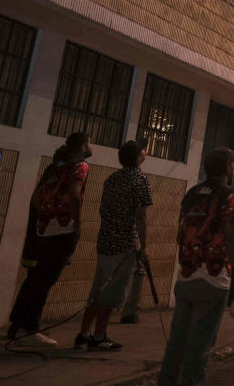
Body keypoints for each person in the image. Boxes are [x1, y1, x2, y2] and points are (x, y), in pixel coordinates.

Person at [158, 147, 234, 386]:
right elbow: (231, 237)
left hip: (187, 275)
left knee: (177, 344)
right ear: (227, 168)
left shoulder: (192, 194)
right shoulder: (231, 196)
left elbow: (181, 233)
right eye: (232, 163)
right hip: (214, 276)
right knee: (199, 348)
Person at [8, 132, 91, 346]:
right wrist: (75, 221)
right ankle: (30, 328)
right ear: (82, 147)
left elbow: (36, 199)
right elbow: (74, 193)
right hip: (63, 231)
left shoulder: (53, 167)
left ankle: (17, 324)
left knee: (35, 277)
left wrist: (47, 215)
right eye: (89, 143)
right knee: (45, 280)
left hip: (43, 229)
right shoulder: (79, 167)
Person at [76, 140, 152, 351]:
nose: (145, 152)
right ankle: (98, 336)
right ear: (138, 158)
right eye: (143, 150)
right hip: (124, 243)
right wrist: (143, 245)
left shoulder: (112, 179)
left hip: (105, 240)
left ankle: (83, 334)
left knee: (98, 289)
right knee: (110, 295)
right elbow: (141, 216)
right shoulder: (140, 180)